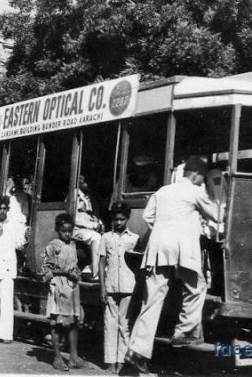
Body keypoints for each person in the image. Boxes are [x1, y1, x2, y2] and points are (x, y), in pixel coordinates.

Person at [125, 157, 220, 373]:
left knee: (152, 300)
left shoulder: (162, 191)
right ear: (195, 174)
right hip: (183, 249)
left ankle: (136, 351)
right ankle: (183, 333)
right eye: (201, 178)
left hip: (158, 247)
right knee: (197, 288)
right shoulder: (195, 192)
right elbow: (216, 214)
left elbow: (148, 216)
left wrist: (163, 228)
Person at [99, 201, 139, 374]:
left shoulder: (134, 238)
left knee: (125, 325)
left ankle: (122, 361)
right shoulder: (106, 237)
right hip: (110, 286)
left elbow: (138, 265)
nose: (118, 223)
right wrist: (102, 287)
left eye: (122, 219)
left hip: (129, 287)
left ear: (127, 218)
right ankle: (110, 362)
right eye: (116, 219)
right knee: (110, 324)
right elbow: (101, 263)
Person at [40, 213, 84, 371]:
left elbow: (74, 265)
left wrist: (76, 273)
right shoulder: (53, 246)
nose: (67, 234)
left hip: (71, 288)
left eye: (70, 230)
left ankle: (73, 357)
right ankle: (57, 358)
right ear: (57, 230)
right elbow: (46, 272)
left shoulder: (72, 245)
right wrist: (65, 274)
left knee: (73, 322)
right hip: (58, 287)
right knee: (57, 322)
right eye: (64, 231)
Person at [0, 196, 27, 343]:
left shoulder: (13, 225)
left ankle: (6, 335)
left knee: (7, 301)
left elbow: (18, 245)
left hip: (8, 266)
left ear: (8, 210)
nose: (2, 211)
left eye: (4, 208)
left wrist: (25, 238)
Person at [72, 174, 103, 281]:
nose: (88, 184)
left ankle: (95, 269)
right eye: (85, 181)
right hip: (76, 229)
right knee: (96, 238)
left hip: (87, 230)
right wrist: (93, 225)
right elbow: (74, 219)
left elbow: (92, 216)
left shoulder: (88, 197)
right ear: (79, 181)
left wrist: (99, 223)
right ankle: (97, 275)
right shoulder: (73, 196)